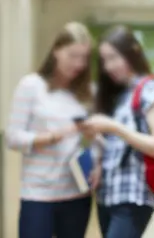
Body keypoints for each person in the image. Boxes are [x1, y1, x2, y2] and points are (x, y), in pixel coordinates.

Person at [77, 25, 154, 238]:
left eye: (113, 57)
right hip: (107, 196)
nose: (109, 66)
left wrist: (113, 127)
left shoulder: (151, 90)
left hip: (133, 196)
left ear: (132, 53)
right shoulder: (120, 95)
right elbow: (117, 145)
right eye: (104, 61)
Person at [5, 22, 98, 238]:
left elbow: (95, 142)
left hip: (77, 194)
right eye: (72, 55)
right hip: (38, 195)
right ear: (56, 50)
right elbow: (12, 137)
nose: (78, 63)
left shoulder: (87, 93)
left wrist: (93, 140)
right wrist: (51, 137)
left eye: (84, 57)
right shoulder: (31, 86)